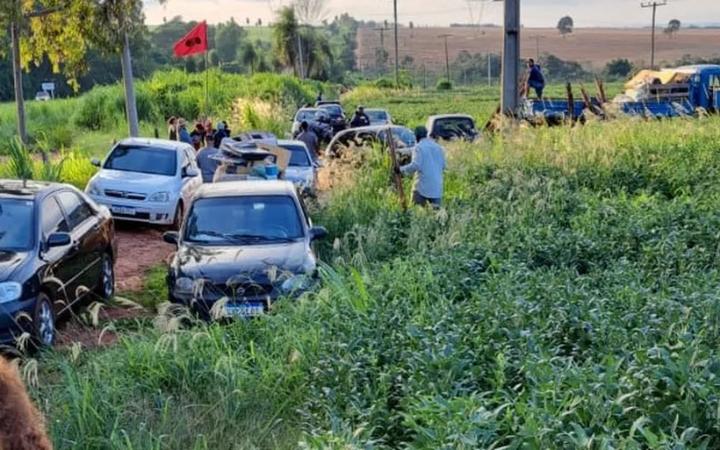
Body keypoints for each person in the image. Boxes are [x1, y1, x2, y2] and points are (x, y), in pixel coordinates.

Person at [396, 126, 446, 207]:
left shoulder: (419, 147)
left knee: (415, 209)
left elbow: (415, 165)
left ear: (416, 136)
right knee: (436, 214)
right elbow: (443, 165)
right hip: (437, 187)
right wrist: (400, 151)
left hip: (422, 187)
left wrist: (400, 169)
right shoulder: (438, 147)